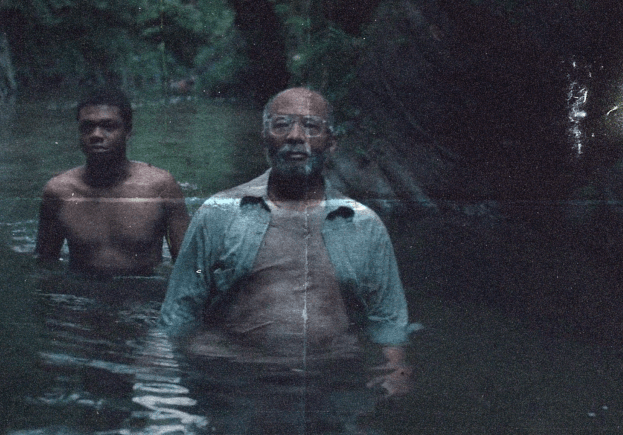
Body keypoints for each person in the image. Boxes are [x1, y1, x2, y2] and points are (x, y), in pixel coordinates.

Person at [160, 87, 412, 432]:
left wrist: (396, 371)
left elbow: (389, 318)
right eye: (282, 125)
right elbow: (179, 311)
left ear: (332, 142)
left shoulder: (363, 225)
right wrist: (160, 377)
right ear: (265, 138)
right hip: (237, 382)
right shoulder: (218, 213)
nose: (295, 136)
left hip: (333, 384)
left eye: (310, 126)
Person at [35, 87, 190, 278]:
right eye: (87, 127)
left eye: (108, 126)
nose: (96, 135)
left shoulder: (160, 186)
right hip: (83, 295)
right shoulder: (59, 191)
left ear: (128, 130)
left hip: (143, 296)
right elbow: (44, 263)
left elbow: (190, 264)